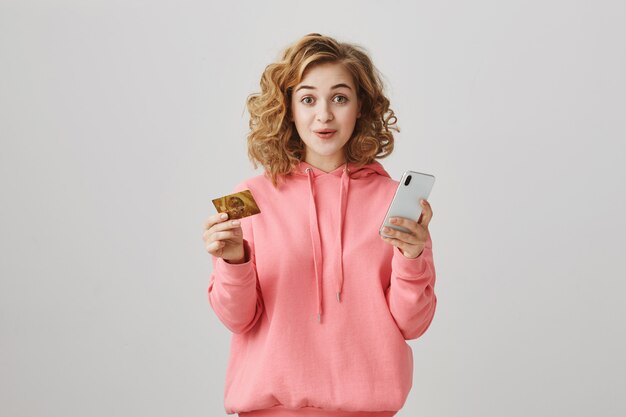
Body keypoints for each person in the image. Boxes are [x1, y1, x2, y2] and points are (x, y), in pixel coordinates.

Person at [202, 33, 437, 417]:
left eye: (339, 98)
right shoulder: (249, 197)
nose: (324, 115)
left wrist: (412, 258)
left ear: (360, 106)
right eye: (308, 99)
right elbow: (236, 318)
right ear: (288, 108)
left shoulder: (395, 201)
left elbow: (413, 324)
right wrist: (235, 262)